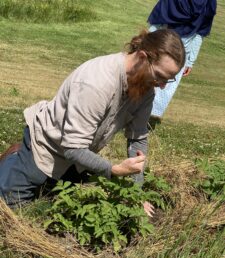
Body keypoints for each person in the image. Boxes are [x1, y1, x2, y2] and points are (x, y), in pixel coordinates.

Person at [0, 29, 185, 212]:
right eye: (160, 76)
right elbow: (73, 147)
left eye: (168, 80)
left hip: (75, 161)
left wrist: (136, 194)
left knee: (55, 209)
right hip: (44, 149)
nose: (161, 86)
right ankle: (16, 158)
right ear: (143, 58)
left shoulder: (145, 88)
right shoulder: (97, 82)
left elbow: (138, 139)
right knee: (12, 212)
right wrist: (112, 169)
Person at [147, 0, 217, 129]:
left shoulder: (208, 2)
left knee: (162, 88)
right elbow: (158, 22)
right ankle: (138, 116)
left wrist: (190, 61)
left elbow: (199, 33)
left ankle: (146, 119)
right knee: (147, 82)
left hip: (176, 55)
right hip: (161, 49)